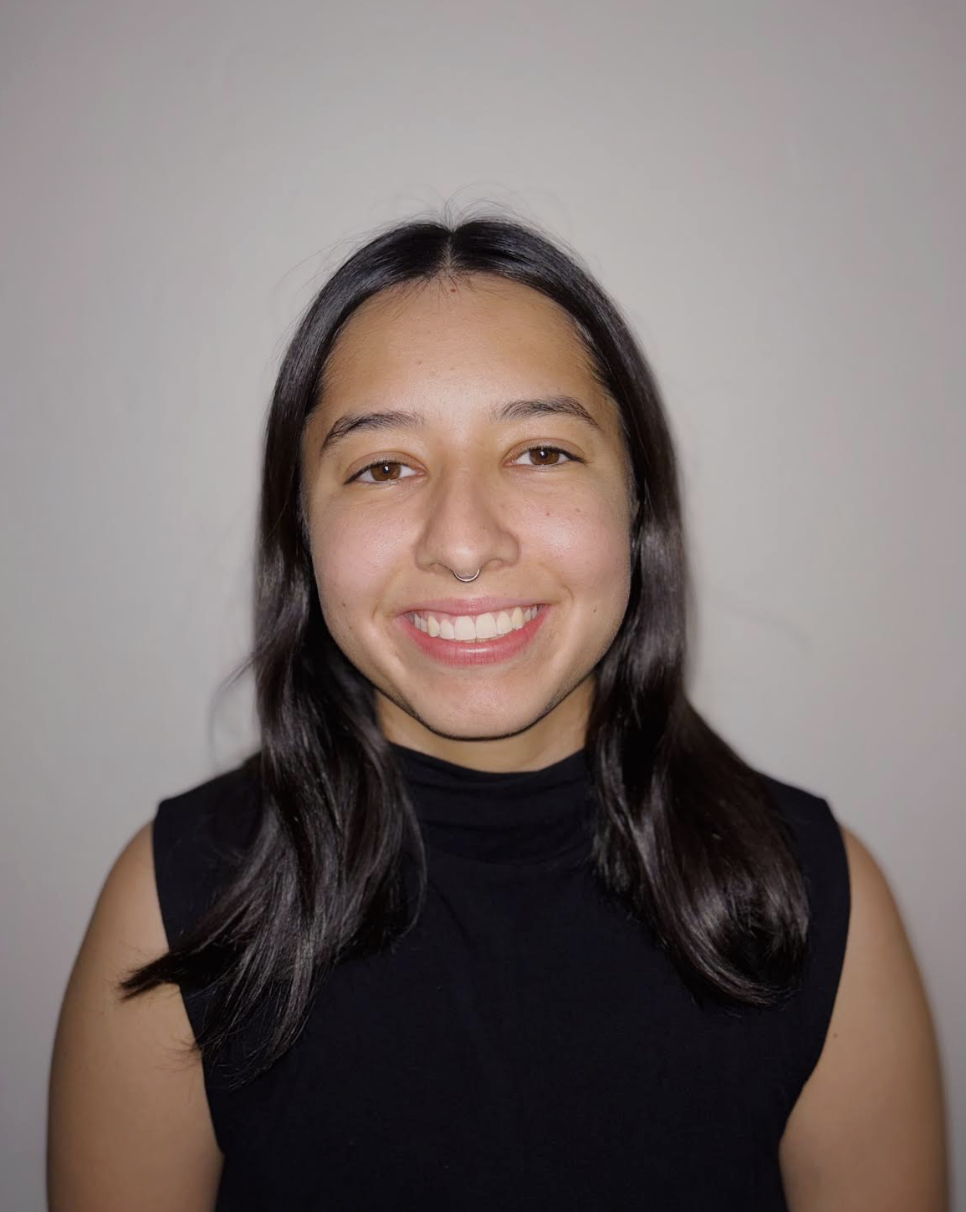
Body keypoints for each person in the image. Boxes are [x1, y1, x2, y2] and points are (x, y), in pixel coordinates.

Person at [47, 216, 948, 1211]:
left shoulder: (819, 897)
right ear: (301, 531)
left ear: (638, 506)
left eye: (541, 452)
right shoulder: (179, 899)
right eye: (383, 466)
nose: (464, 542)